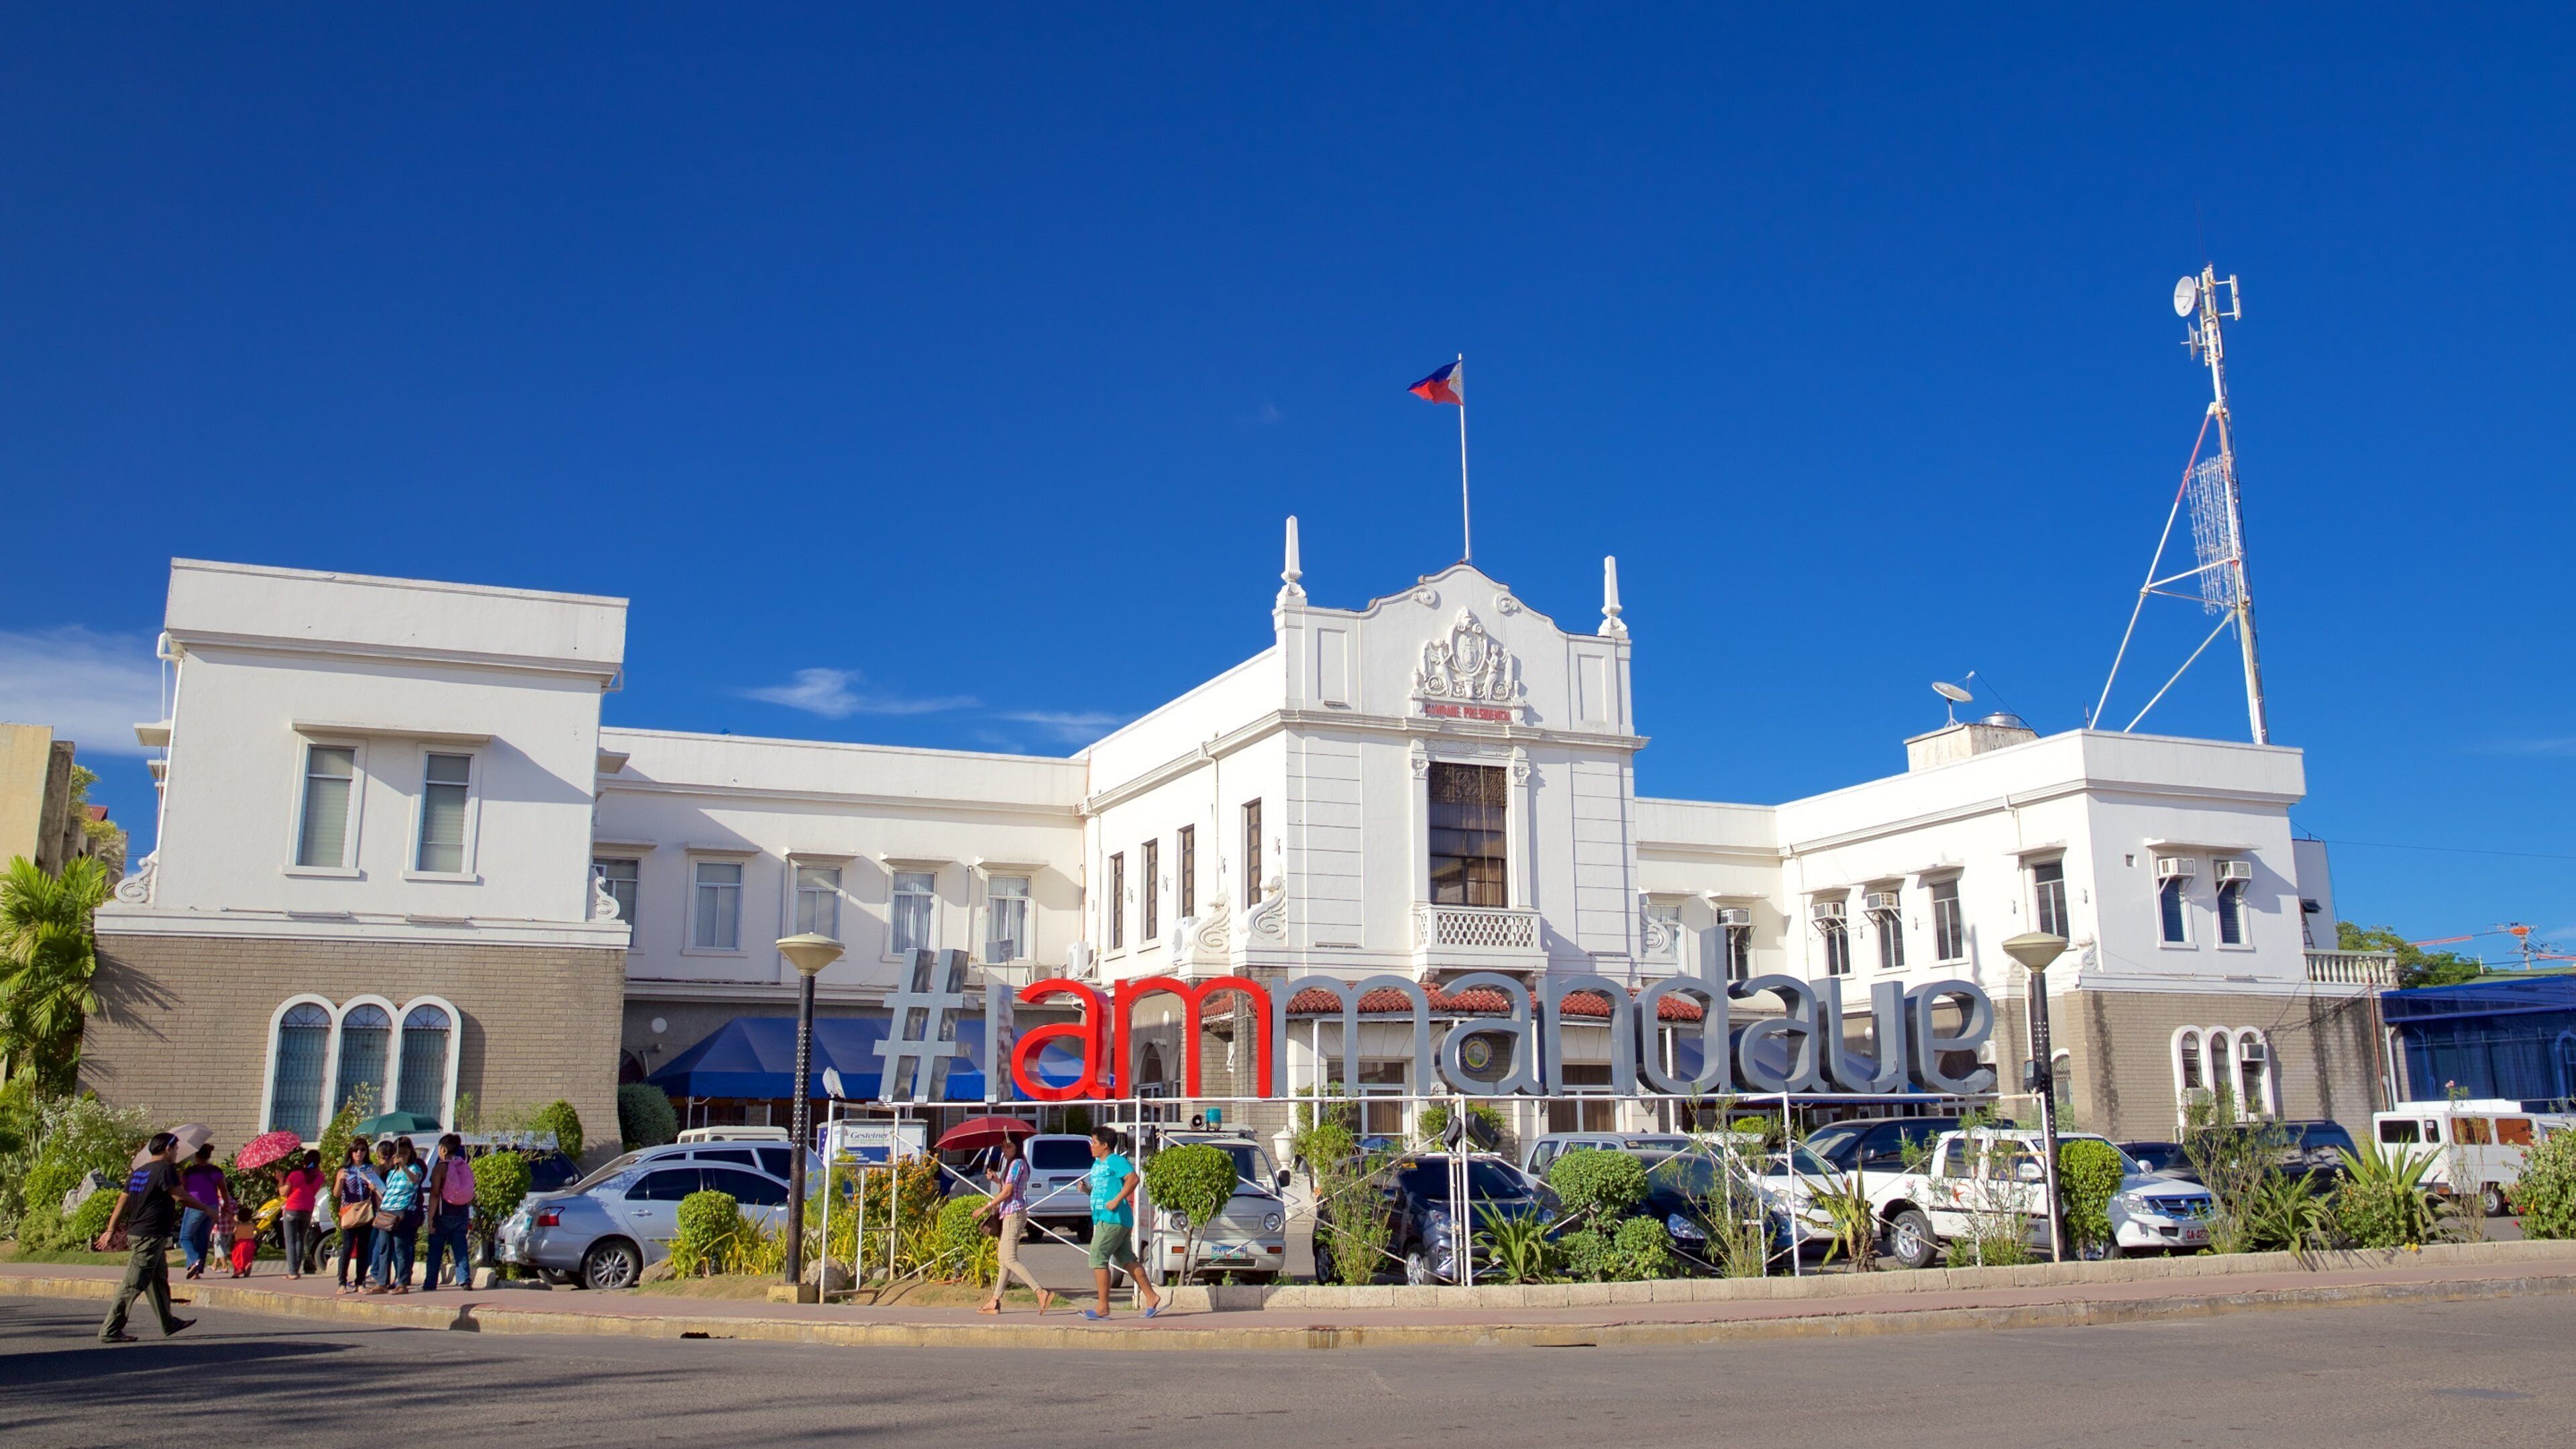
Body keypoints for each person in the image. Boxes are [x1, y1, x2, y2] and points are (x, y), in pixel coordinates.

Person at [94, 1131, 204, 1342]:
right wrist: (207, 1210)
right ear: (168, 1149)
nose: (177, 1153)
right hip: (150, 1236)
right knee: (133, 1284)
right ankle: (110, 1330)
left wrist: (110, 1229)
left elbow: (122, 1202)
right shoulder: (165, 1170)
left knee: (158, 1280)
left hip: (144, 1234)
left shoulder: (139, 1172)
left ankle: (168, 1322)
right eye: (176, 1149)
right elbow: (180, 1197)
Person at [1079, 1127, 1161, 1321]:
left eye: (1094, 1143)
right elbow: (1103, 1191)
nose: (1091, 1146)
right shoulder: (1098, 1164)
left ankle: (1102, 1307)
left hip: (1112, 1218)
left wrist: (1117, 1200)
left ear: (1105, 1145)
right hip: (1107, 1218)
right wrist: (1088, 1190)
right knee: (1127, 1260)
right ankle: (1151, 1297)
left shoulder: (1115, 1160)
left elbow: (1133, 1179)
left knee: (1098, 1258)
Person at [977, 1136, 1053, 1316]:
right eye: (1003, 1146)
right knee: (1003, 1260)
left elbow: (1008, 1192)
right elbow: (1007, 1188)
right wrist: (997, 1180)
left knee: (1010, 1259)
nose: (1005, 1150)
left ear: (1017, 1148)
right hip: (1010, 1213)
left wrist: (986, 1207)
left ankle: (1040, 1291)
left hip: (1014, 1213)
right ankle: (995, 1300)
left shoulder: (1017, 1164)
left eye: (1009, 1146)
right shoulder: (1014, 1164)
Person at [421, 1134, 476, 1291]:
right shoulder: (464, 1166)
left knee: (435, 1250)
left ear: (443, 1149)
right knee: (460, 1249)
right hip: (462, 1213)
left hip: (442, 1214)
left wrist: (430, 1219)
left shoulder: (440, 1168)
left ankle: (430, 1282)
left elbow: (435, 1194)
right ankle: (465, 1280)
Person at [368, 1139, 424, 1293]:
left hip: (402, 1213)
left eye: (405, 1153)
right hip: (386, 1211)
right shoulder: (392, 1172)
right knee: (384, 1248)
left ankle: (402, 1282)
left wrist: (404, 1167)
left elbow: (414, 1180)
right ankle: (382, 1283)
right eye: (399, 1153)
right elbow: (387, 1194)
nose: (402, 1156)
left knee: (400, 1248)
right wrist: (375, 1189)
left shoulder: (414, 1169)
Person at [333, 1139, 381, 1295]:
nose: (359, 1153)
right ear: (351, 1152)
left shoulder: (371, 1169)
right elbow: (336, 1194)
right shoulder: (344, 1170)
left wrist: (374, 1188)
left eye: (362, 1149)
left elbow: (380, 1190)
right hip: (350, 1211)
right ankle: (342, 1282)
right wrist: (340, 1181)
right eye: (356, 1150)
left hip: (365, 1211)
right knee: (347, 1247)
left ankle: (360, 1281)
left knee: (363, 1248)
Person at [176, 1142, 225, 1279]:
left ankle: (194, 1261)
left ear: (197, 1156)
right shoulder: (216, 1171)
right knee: (202, 1238)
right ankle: (197, 1271)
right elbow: (223, 1190)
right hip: (213, 1206)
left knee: (185, 1238)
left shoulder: (190, 1171)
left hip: (195, 1205)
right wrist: (226, 1205)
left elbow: (182, 1189)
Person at [278, 1150, 324, 1279]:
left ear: (304, 1162)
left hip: (292, 1209)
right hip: (307, 1210)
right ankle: (296, 1271)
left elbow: (283, 1192)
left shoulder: (295, 1175)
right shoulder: (320, 1176)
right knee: (300, 1240)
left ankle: (292, 1272)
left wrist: (281, 1180)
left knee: (290, 1241)